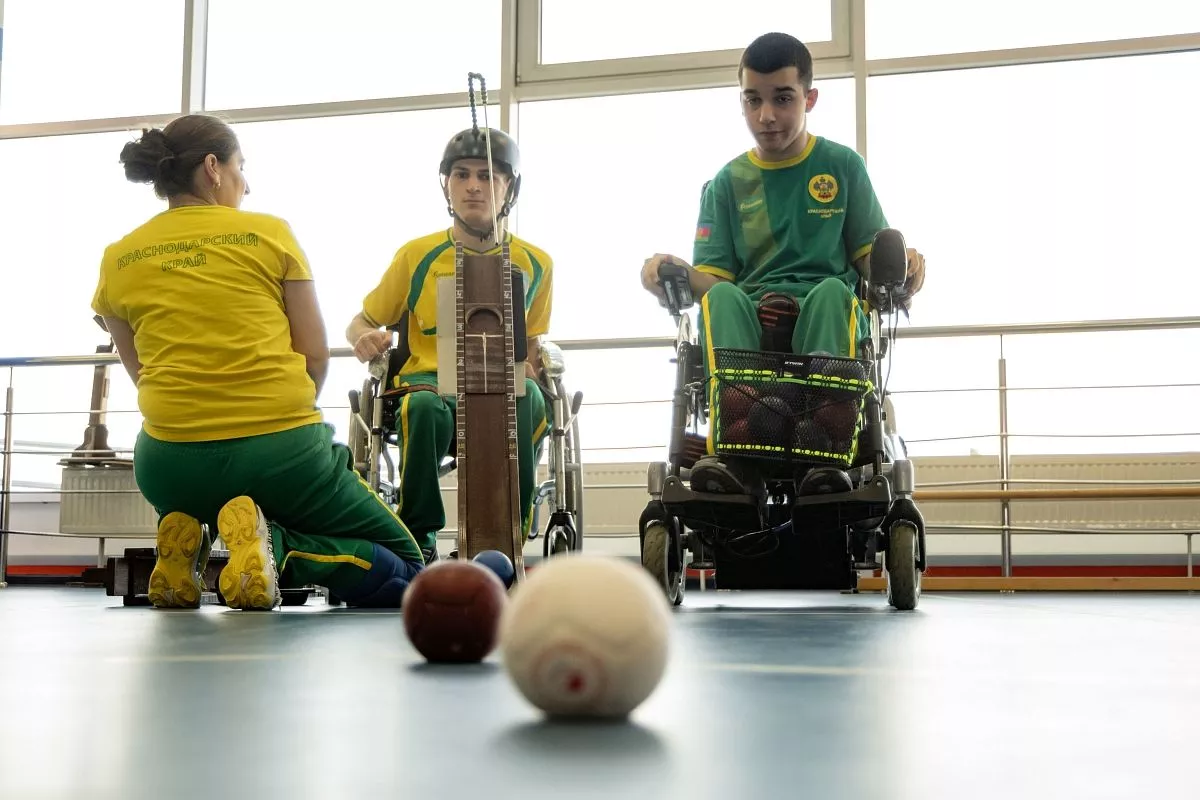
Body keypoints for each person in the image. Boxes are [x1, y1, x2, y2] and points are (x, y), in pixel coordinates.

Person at [91, 114, 426, 610]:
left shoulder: (118, 257)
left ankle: (187, 541)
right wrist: (284, 425)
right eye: (241, 167)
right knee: (409, 564)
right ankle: (276, 547)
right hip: (281, 452)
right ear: (213, 167)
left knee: (199, 490)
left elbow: (141, 372)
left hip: (168, 465)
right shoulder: (269, 233)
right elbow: (314, 354)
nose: (246, 184)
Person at [638, 32, 927, 494]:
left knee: (833, 292)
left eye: (783, 98)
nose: (766, 115)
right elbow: (712, 281)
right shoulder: (726, 183)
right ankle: (737, 451)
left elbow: (870, 263)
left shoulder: (842, 166)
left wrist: (903, 267)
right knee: (723, 297)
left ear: (809, 98)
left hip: (824, 312)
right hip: (752, 325)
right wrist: (667, 270)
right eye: (752, 100)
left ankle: (823, 442)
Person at [345, 127, 553, 559]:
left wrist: (534, 367)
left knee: (531, 397)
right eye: (461, 175)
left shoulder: (537, 263)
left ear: (509, 187)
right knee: (421, 406)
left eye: (487, 175)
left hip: (501, 384)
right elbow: (361, 320)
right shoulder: (415, 255)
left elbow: (531, 342)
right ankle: (417, 537)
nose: (473, 186)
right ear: (447, 185)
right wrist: (364, 338)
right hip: (430, 386)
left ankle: (509, 530)